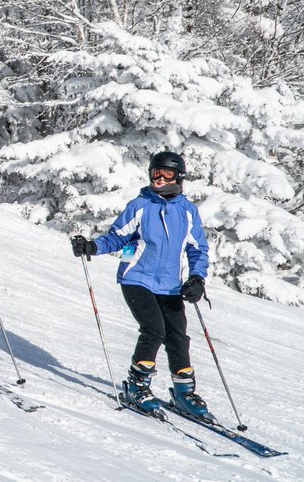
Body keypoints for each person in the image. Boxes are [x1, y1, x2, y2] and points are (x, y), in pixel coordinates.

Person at [70, 151, 211, 417]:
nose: (158, 178)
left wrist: (197, 278)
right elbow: (116, 238)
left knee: (178, 336)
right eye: (155, 172)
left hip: (170, 284)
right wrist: (91, 246)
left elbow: (198, 249)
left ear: (179, 177)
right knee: (153, 329)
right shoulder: (140, 205)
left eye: (166, 173)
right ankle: (137, 385)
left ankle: (184, 391)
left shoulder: (188, 211)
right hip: (136, 277)